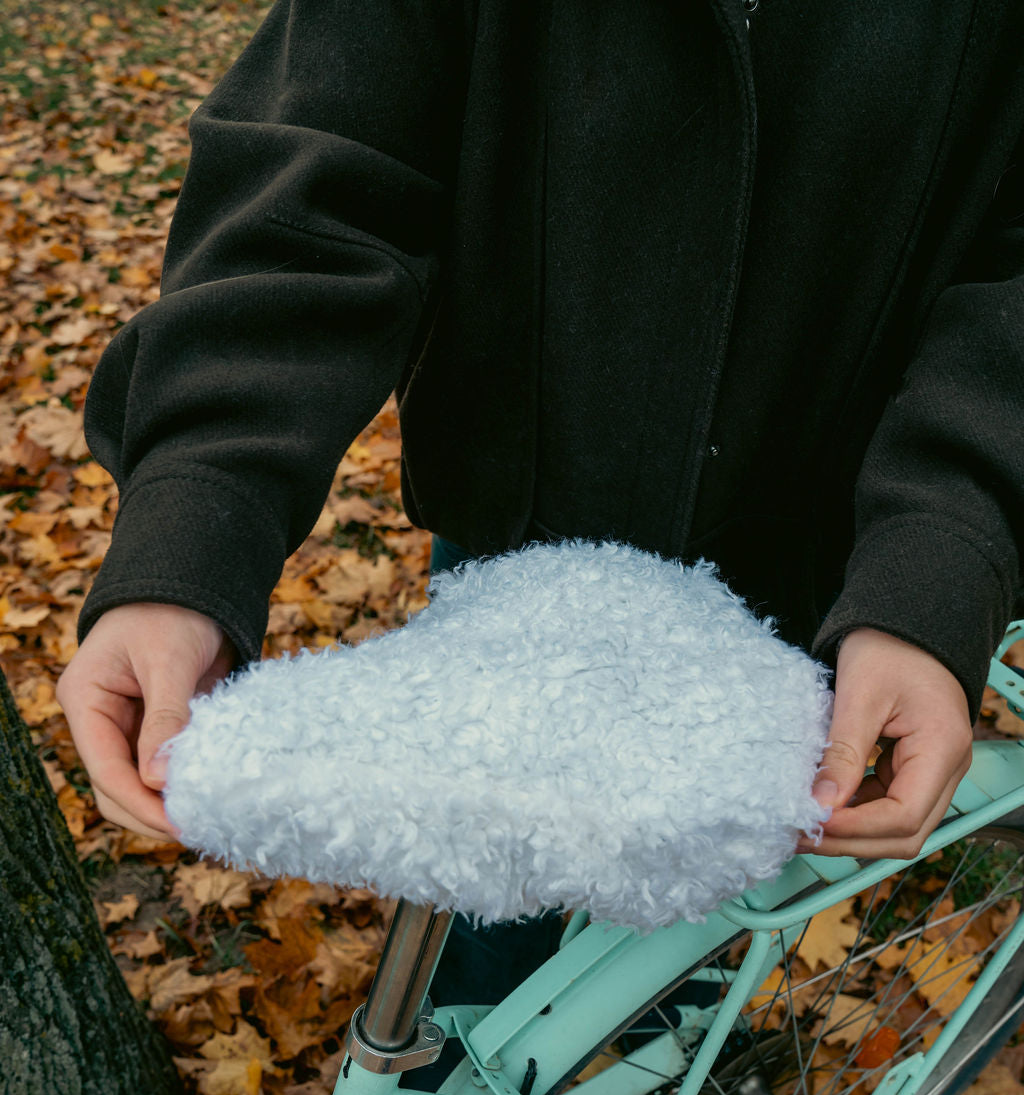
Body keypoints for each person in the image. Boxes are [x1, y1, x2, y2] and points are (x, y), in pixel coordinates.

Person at [58, 1, 1023, 886]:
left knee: (690, 976)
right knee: (484, 951)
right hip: (520, 560)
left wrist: (935, 575)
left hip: (837, 565)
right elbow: (325, 163)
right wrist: (188, 533)